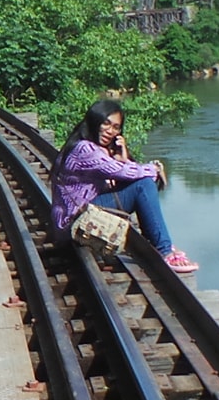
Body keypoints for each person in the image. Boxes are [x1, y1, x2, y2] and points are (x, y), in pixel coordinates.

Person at [50, 99, 197, 272]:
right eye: (106, 124)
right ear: (95, 120)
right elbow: (125, 172)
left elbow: (121, 170)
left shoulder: (82, 144)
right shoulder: (85, 150)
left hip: (72, 219)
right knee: (143, 185)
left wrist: (123, 156)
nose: (110, 131)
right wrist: (155, 168)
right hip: (74, 224)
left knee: (140, 183)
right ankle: (165, 251)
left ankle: (161, 244)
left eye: (116, 127)